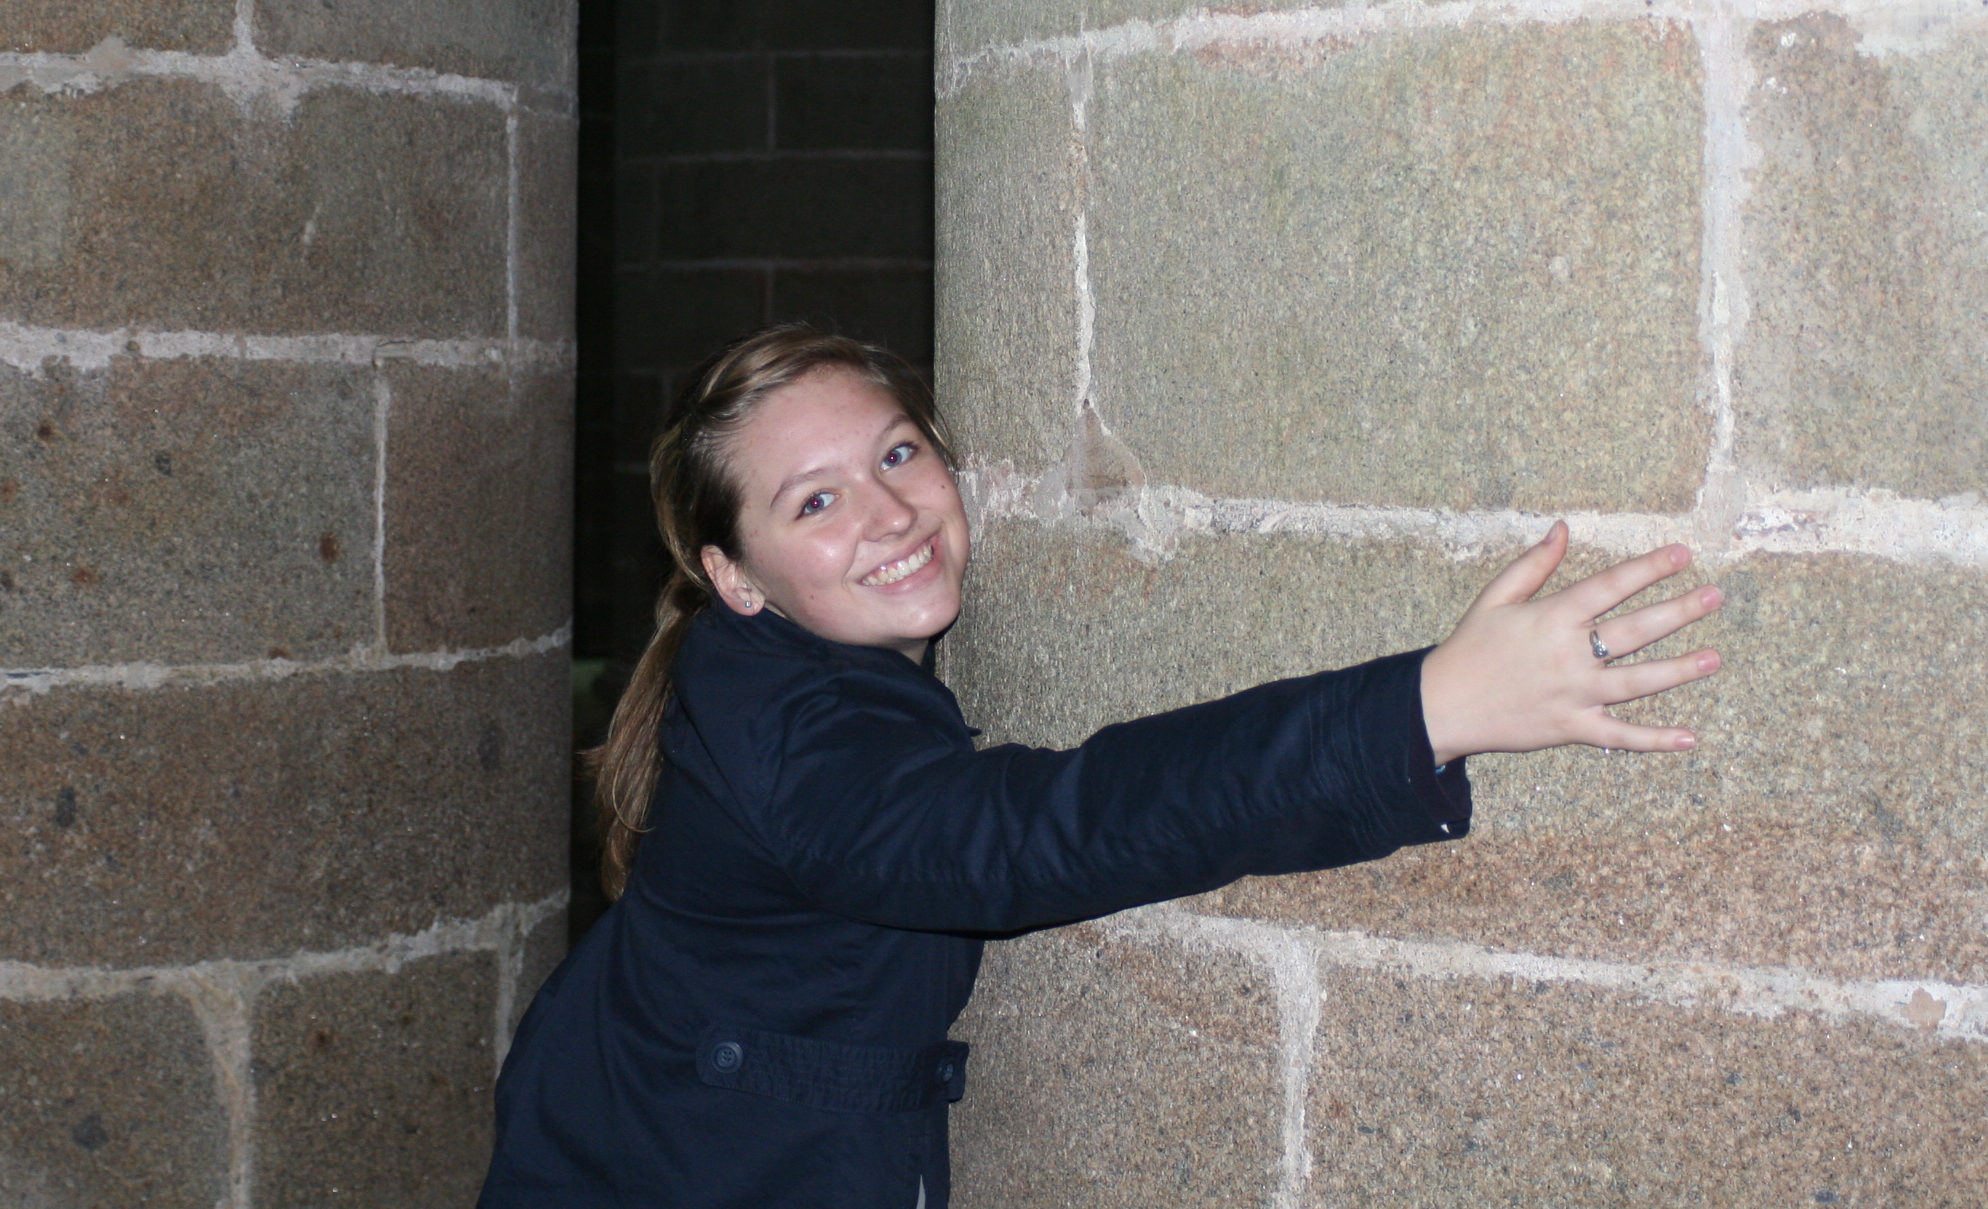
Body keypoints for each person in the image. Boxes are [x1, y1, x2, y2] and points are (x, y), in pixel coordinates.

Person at [479, 327, 1723, 1207]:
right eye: (815, 502)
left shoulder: (780, 668)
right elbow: (1029, 835)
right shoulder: (787, 730)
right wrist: (1426, 708)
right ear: (735, 575)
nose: (890, 513)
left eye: (898, 453)